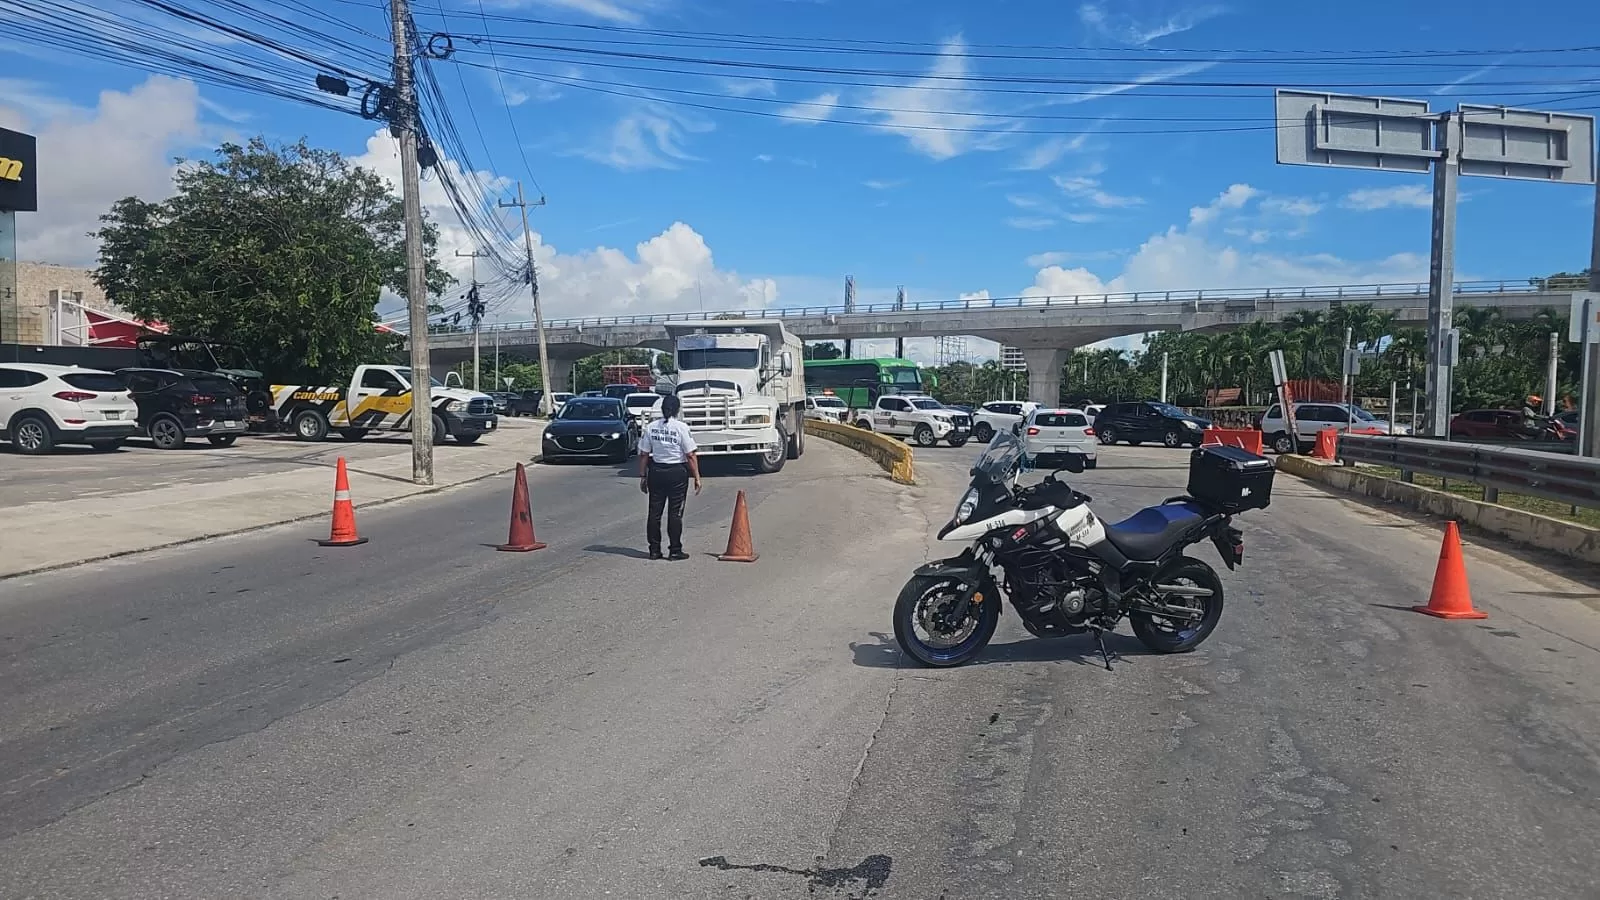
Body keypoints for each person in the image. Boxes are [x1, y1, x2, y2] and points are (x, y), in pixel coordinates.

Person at [638, 394, 701, 560]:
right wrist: (696, 476)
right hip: (676, 473)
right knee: (675, 512)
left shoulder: (651, 427)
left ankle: (654, 550)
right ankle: (675, 550)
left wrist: (643, 476)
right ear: (677, 410)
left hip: (656, 471)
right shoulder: (681, 427)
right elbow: (690, 454)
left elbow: (644, 454)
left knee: (654, 512)